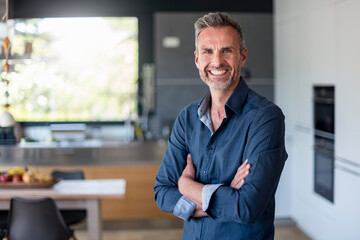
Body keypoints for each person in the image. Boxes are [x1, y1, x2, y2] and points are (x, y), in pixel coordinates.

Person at [154, 12, 287, 240]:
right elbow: (162, 191)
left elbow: (246, 207)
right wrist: (223, 193)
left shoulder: (266, 119)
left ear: (242, 56)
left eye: (227, 50)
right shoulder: (187, 118)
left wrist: (187, 186)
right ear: (197, 59)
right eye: (208, 51)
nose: (216, 62)